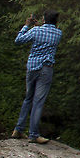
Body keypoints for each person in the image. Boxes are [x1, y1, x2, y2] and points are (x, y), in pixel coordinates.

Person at [11, 9, 63, 144]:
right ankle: (33, 134)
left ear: (44, 19)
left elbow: (18, 40)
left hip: (32, 67)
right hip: (46, 69)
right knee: (38, 102)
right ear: (56, 21)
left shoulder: (36, 31)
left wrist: (27, 25)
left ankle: (18, 129)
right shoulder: (58, 33)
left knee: (28, 98)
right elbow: (47, 35)